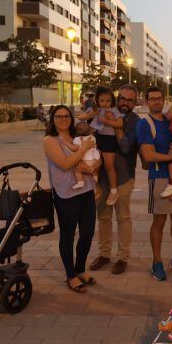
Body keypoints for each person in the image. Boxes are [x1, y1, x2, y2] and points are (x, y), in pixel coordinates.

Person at [136, 86, 172, 281]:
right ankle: (157, 262)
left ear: (164, 100)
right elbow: (148, 154)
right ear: (146, 102)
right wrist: (171, 157)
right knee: (159, 221)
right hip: (160, 178)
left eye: (159, 98)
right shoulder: (146, 123)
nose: (156, 101)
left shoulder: (171, 120)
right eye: (152, 99)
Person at [43, 105, 100, 293]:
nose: (63, 119)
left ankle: (80, 269)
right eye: (58, 116)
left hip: (86, 190)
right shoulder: (50, 140)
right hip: (65, 193)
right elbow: (65, 164)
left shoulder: (78, 136)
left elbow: (96, 156)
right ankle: (70, 275)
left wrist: (92, 167)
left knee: (88, 232)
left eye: (66, 115)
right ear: (52, 119)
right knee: (68, 235)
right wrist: (83, 151)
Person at [90, 85, 140, 275]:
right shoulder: (105, 112)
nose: (125, 102)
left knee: (123, 218)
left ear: (135, 103)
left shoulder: (136, 122)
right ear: (117, 99)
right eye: (123, 98)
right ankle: (104, 254)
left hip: (124, 176)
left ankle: (122, 257)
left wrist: (115, 126)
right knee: (103, 217)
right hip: (102, 177)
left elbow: (126, 147)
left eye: (130, 100)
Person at [82, 87, 123, 206]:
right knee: (95, 162)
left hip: (109, 139)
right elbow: (87, 115)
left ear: (112, 101)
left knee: (109, 166)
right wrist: (82, 117)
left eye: (108, 100)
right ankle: (96, 187)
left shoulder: (114, 110)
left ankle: (114, 191)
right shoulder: (97, 110)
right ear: (97, 101)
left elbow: (120, 123)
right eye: (102, 100)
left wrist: (106, 121)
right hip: (98, 138)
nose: (105, 103)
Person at [59, 122, 101, 192]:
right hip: (94, 159)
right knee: (94, 167)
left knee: (77, 170)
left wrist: (65, 143)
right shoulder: (93, 137)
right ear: (89, 130)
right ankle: (95, 176)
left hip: (85, 161)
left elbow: (74, 148)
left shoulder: (77, 139)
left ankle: (80, 182)